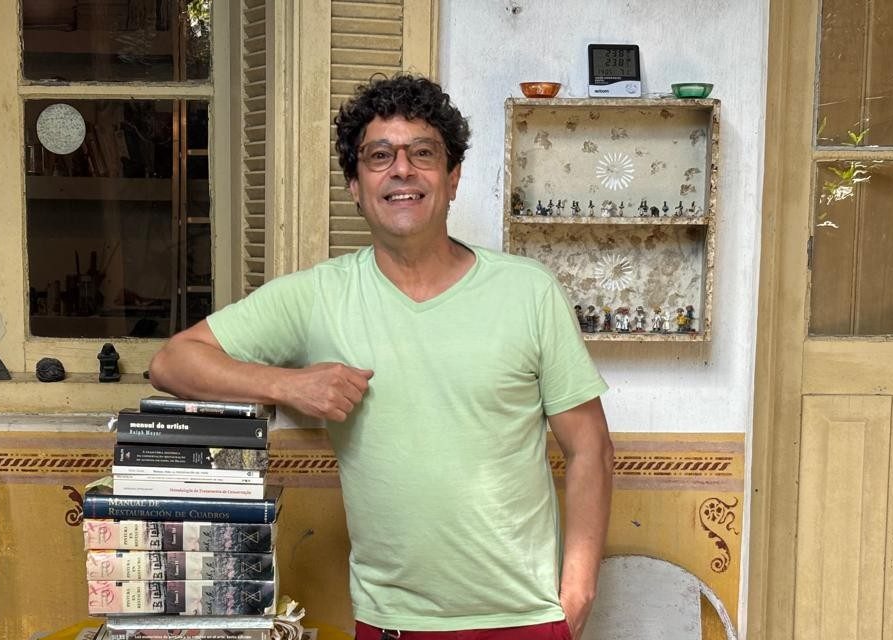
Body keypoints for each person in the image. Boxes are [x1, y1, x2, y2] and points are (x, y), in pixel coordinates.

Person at [149, 74, 613, 640]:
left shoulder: (528, 292)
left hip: (526, 618)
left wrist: (577, 591)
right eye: (379, 155)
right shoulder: (318, 296)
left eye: (423, 153)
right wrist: (288, 385)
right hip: (391, 622)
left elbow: (589, 447)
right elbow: (173, 361)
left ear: (453, 177)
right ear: (355, 184)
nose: (402, 170)